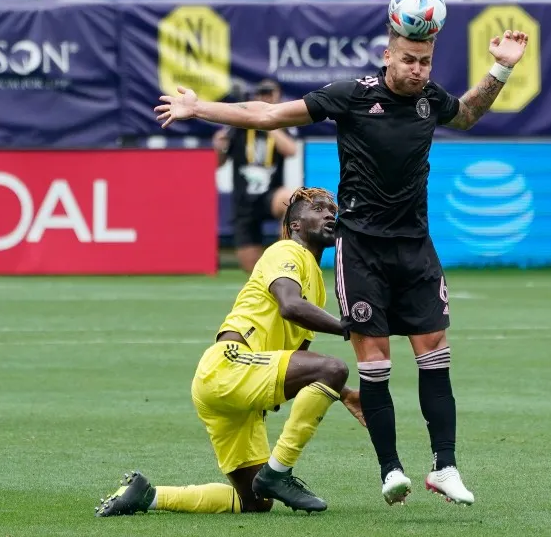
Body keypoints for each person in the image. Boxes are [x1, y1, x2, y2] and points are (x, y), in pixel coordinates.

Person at [154, 27, 529, 507]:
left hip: (415, 246)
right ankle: (391, 469)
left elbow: (471, 113)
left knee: (435, 352)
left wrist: (502, 67)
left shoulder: (430, 99)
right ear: (388, 55)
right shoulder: (351, 96)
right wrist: (199, 108)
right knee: (375, 363)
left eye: (426, 62)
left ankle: (446, 466)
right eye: (410, 59)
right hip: (364, 250)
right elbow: (267, 115)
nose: (418, 69)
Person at [95, 187, 365, 517]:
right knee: (334, 367)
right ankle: (279, 473)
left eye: (332, 210)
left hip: (236, 387)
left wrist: (344, 392)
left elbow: (298, 361)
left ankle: (146, 495)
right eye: (319, 209)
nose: (329, 215)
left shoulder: (317, 288)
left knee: (255, 502)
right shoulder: (286, 251)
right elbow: (290, 306)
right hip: (230, 365)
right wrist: (350, 327)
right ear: (294, 225)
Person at [213, 79, 298, 273]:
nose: (266, 97)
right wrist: (219, 147)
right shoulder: (239, 125)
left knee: (290, 199)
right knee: (252, 270)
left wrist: (269, 122)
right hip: (243, 201)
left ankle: (283, 254)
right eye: (262, 93)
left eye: (271, 93)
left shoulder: (283, 123)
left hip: (270, 195)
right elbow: (218, 163)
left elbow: (290, 150)